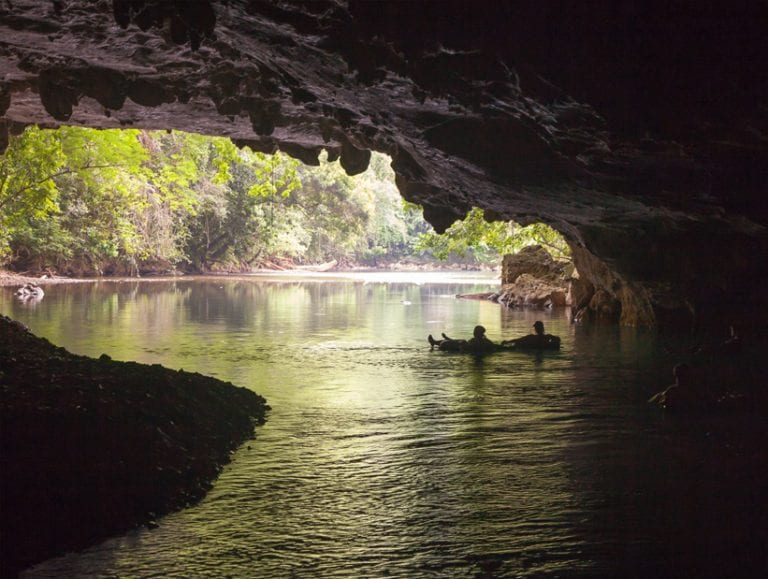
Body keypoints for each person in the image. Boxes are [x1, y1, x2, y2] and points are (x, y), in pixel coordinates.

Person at [428, 325, 497, 352]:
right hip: (461, 345)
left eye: (476, 332)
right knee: (461, 341)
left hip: (459, 348)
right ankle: (434, 342)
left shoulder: (483, 341)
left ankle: (436, 342)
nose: (474, 333)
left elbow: (492, 346)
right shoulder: (479, 339)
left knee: (460, 342)